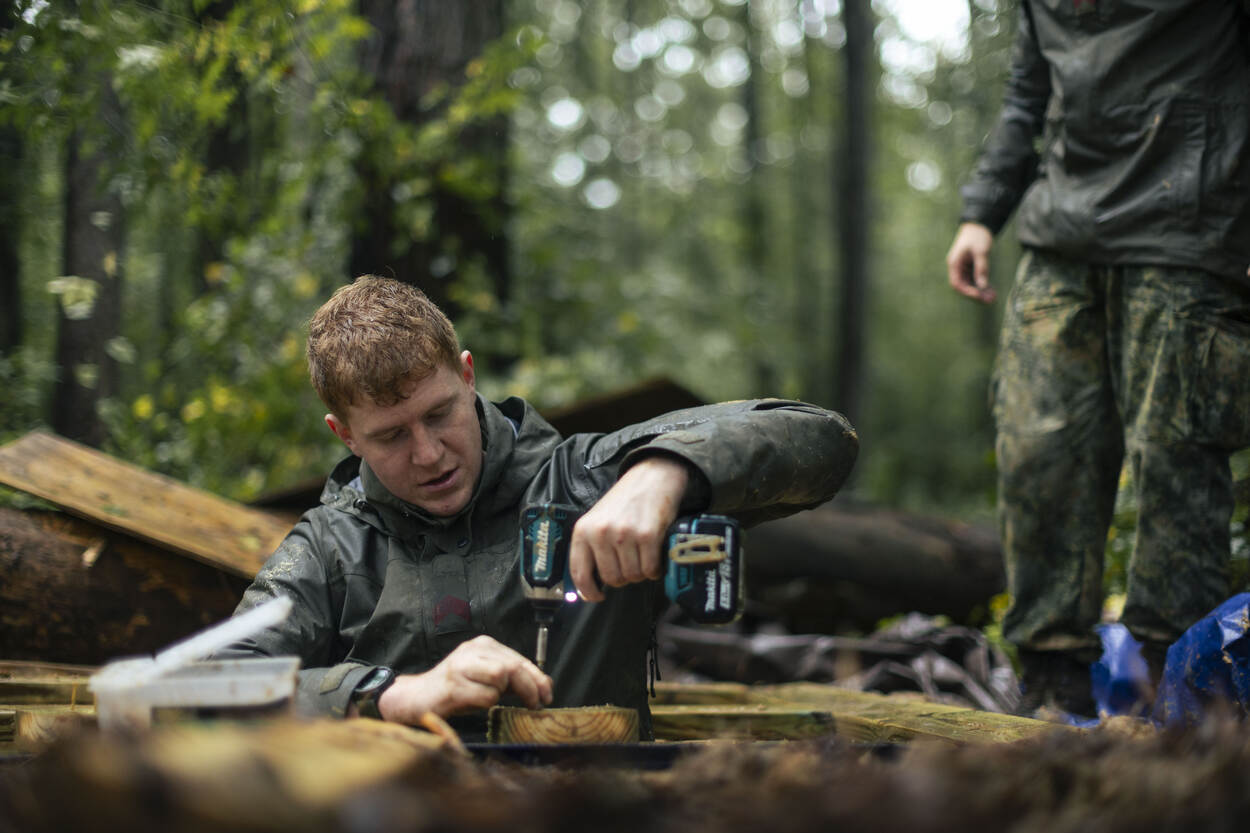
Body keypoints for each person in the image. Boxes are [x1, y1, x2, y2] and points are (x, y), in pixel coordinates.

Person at [220, 275, 858, 738]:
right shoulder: (330, 547)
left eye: (441, 414)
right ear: (345, 435)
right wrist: (390, 694)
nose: (429, 453)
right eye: (391, 436)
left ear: (468, 376)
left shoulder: (583, 478)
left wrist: (664, 472)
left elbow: (823, 440)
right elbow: (214, 685)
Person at [945, 0, 1250, 715]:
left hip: (1190, 225)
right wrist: (981, 213)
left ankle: (1172, 692)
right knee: (1037, 450)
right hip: (1062, 233)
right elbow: (1029, 91)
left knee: (1177, 456)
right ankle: (1051, 680)